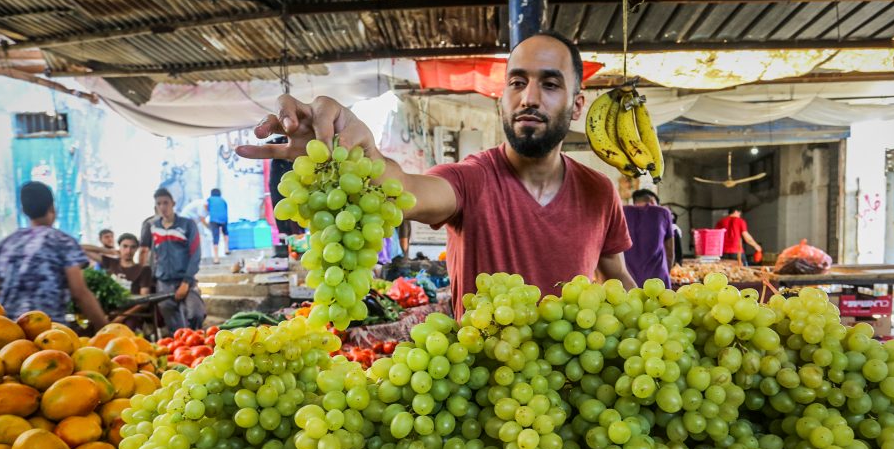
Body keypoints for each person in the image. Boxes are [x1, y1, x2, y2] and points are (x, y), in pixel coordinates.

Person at [236, 30, 635, 315]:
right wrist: (358, 153)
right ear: (502, 97)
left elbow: (614, 275)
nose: (529, 97)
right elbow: (402, 187)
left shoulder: (599, 191)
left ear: (577, 104)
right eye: (517, 82)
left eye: (550, 84)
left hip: (573, 397)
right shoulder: (472, 180)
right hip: (485, 398)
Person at [0, 181, 108, 329]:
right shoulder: (64, 242)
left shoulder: (4, 245)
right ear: (52, 208)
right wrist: (104, 329)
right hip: (49, 333)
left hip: (9, 335)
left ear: (24, 211)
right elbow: (80, 293)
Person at [141, 188, 205, 332]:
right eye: (159, 204)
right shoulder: (153, 227)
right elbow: (149, 254)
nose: (163, 207)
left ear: (173, 203)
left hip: (185, 280)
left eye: (166, 203)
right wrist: (150, 279)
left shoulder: (187, 225)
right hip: (163, 283)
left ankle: (196, 340)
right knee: (173, 324)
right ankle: (180, 343)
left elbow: (195, 255)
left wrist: (186, 282)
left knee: (196, 314)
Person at [622, 189, 675, 288]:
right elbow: (670, 252)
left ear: (635, 201)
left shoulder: (622, 212)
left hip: (628, 280)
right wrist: (666, 273)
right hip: (658, 280)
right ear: (652, 200)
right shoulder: (663, 212)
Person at [206, 188, 230, 264]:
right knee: (225, 232)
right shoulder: (223, 201)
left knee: (215, 237)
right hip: (224, 218)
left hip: (214, 219)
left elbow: (207, 208)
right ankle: (226, 248)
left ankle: (216, 258)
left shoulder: (209, 200)